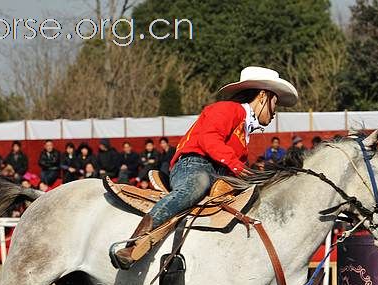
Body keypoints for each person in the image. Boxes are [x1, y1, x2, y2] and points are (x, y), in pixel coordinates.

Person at [112, 66, 298, 269]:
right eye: (275, 103)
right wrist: (237, 166)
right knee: (196, 185)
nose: (275, 112)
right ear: (263, 96)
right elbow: (209, 138)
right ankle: (134, 243)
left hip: (217, 173)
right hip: (193, 164)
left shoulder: (244, 128)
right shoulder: (227, 109)